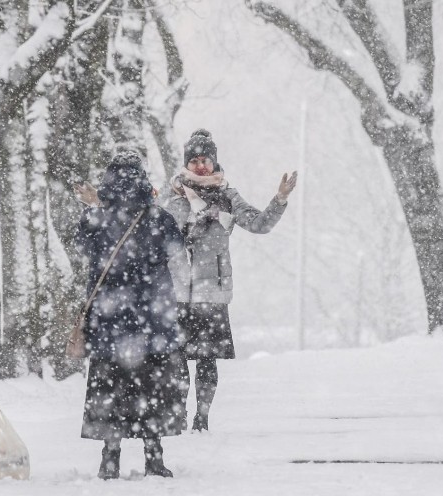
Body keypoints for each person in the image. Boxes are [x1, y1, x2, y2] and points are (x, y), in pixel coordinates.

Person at [164, 129, 297, 432]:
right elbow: (152, 230)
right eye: (194, 160)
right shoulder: (173, 195)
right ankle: (180, 415)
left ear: (214, 162)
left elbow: (259, 224)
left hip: (213, 292)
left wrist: (279, 199)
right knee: (177, 360)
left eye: (205, 160)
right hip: (178, 291)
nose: (200, 166)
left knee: (207, 360)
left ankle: (203, 417)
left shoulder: (228, 196)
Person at [74, 150, 187, 480]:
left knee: (110, 389)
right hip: (150, 326)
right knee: (150, 391)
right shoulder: (157, 217)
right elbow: (176, 249)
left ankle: (110, 456)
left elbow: (81, 249)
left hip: (109, 325)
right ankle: (154, 454)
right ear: (142, 178)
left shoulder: (97, 217)